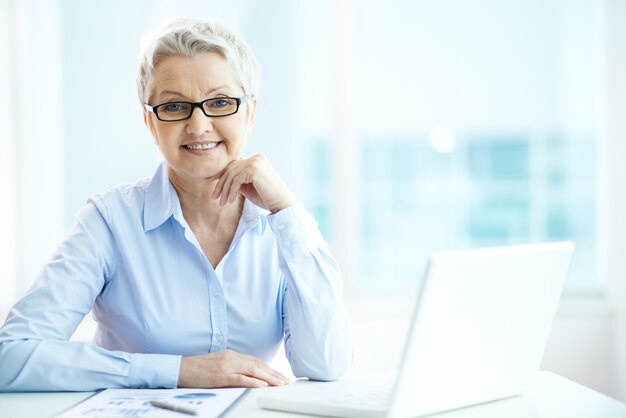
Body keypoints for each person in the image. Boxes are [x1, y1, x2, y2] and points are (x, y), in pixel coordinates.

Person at [0, 18, 353, 391]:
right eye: (174, 107)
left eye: (220, 102)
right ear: (150, 123)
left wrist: (287, 211)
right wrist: (177, 371)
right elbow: (12, 357)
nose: (198, 125)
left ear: (250, 112)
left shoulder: (280, 226)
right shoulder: (109, 222)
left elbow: (324, 363)